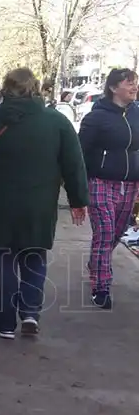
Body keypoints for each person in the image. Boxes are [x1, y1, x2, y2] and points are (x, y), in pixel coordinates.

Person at [0, 67, 89, 339]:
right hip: (39, 205)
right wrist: (78, 200)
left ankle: (4, 323)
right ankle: (30, 313)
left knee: (3, 260)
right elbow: (74, 165)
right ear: (35, 88)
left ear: (5, 88)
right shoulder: (57, 122)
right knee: (35, 258)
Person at [78, 68, 139, 309]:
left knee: (117, 231)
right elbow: (79, 151)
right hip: (101, 181)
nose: (134, 87)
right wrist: (77, 185)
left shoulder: (137, 114)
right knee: (103, 233)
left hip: (131, 183)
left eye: (135, 83)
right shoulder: (97, 117)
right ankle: (101, 286)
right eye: (129, 83)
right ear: (114, 88)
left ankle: (97, 263)